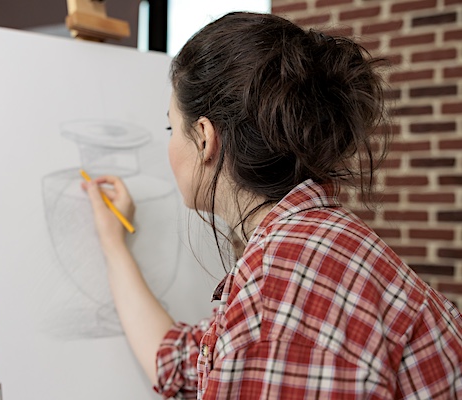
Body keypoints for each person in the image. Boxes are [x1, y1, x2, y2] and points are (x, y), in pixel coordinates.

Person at [82, 12, 462, 399]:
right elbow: (182, 363)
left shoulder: (279, 291)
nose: (168, 144)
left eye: (170, 128)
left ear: (203, 138)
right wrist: (114, 243)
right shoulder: (315, 240)